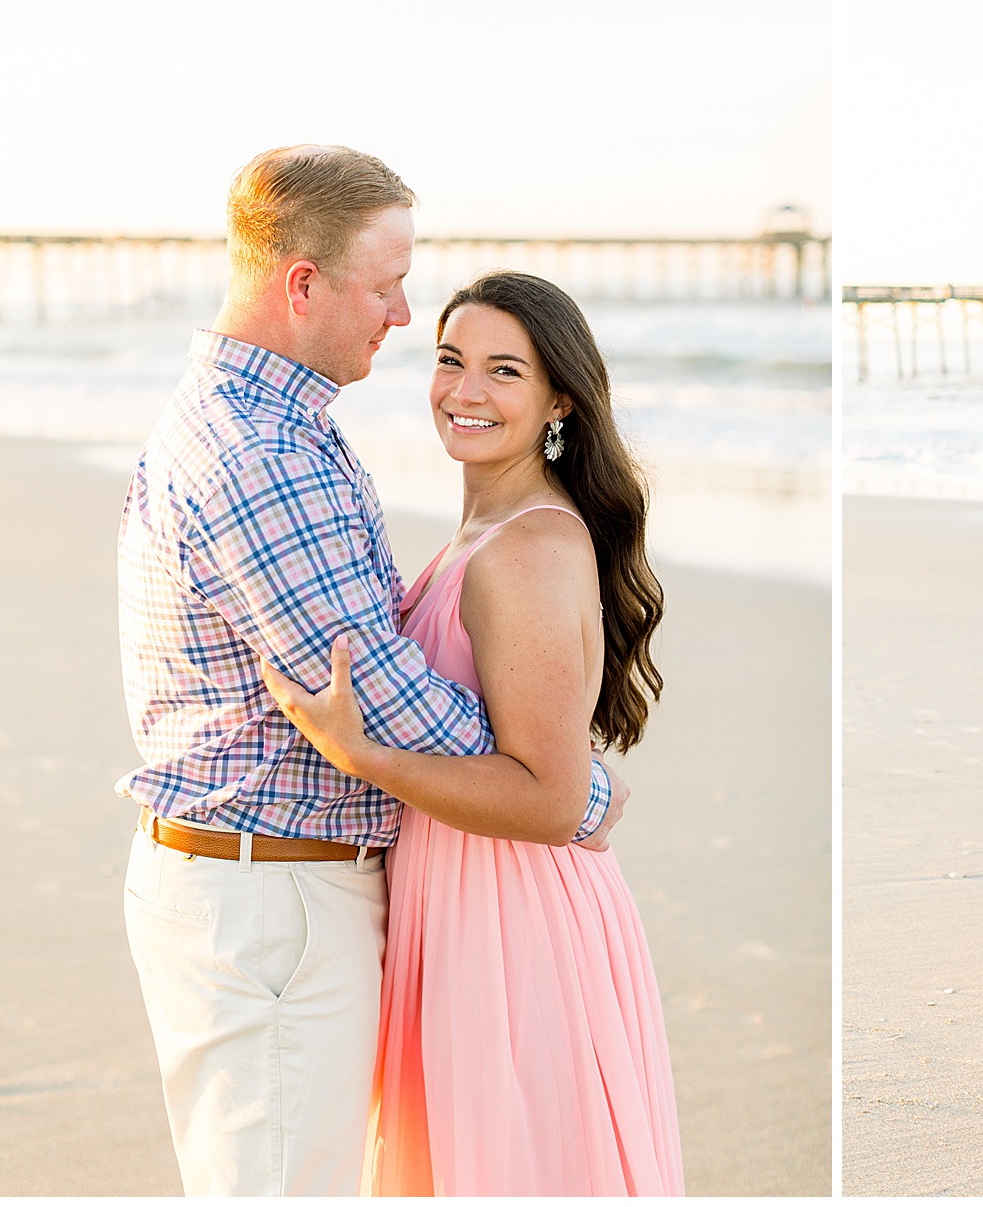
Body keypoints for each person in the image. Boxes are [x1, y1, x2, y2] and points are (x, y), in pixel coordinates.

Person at [116, 146, 624, 1196]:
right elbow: (368, 685)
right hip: (272, 901)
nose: (401, 315)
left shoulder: (283, 427)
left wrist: (554, 782)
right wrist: (577, 792)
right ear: (303, 284)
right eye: (389, 285)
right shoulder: (264, 451)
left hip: (282, 890)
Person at [263, 271, 684, 1195]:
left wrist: (360, 756)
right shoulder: (484, 530)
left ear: (558, 401)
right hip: (460, 902)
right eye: (452, 361)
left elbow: (549, 800)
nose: (465, 392)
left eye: (504, 372)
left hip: (511, 922)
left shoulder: (527, 548)